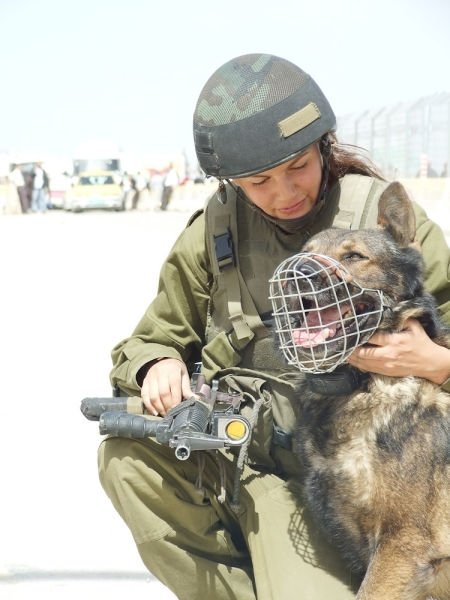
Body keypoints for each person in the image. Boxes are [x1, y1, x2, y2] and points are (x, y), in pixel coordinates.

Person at [98, 54, 450, 600]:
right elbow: (152, 337)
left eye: (298, 168)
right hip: (240, 463)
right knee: (127, 456)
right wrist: (157, 363)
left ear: (324, 148)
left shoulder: (383, 222)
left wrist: (439, 363)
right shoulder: (215, 233)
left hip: (347, 476)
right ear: (230, 182)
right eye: (259, 181)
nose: (284, 192)